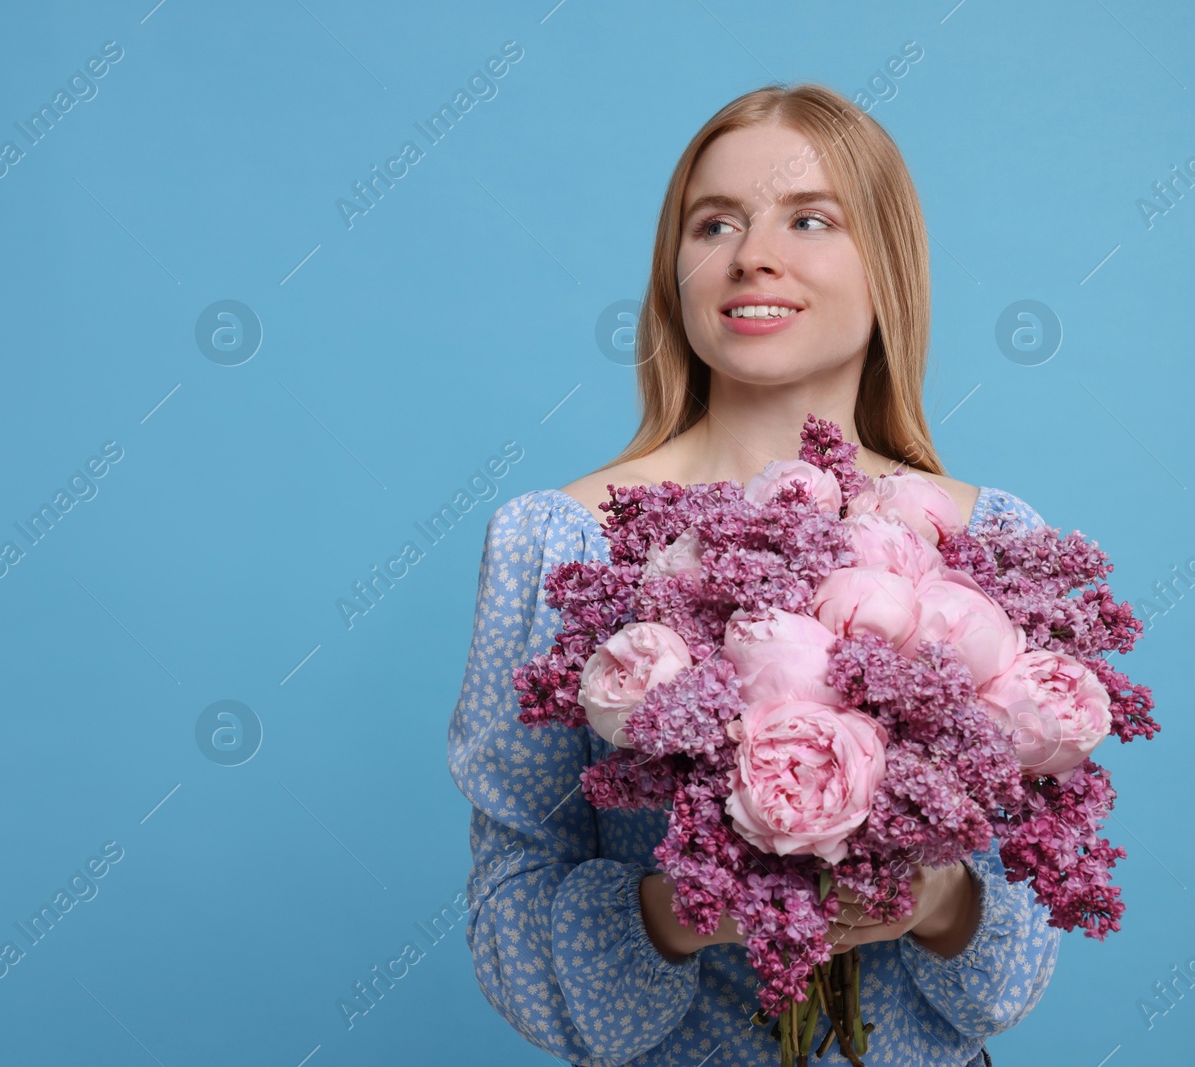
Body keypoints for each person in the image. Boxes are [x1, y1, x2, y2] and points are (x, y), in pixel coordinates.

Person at [445, 83, 1060, 1067]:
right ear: (674, 273)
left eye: (809, 218)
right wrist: (680, 909)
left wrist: (939, 898)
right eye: (714, 222)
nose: (750, 254)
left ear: (886, 266)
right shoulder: (558, 543)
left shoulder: (988, 538)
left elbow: (1018, 948)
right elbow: (512, 907)